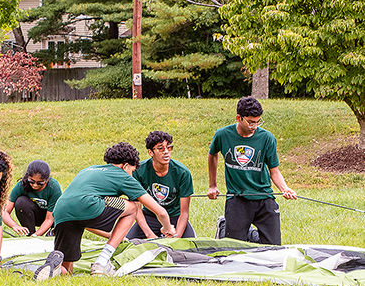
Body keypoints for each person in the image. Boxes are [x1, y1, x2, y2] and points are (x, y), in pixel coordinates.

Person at [53, 142, 177, 276]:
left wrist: (113, 235)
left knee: (66, 270)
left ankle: (52, 268)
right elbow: (160, 211)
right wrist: (167, 228)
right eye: (132, 171)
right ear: (125, 165)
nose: (131, 175)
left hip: (60, 211)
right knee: (133, 207)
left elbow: (83, 218)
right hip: (88, 205)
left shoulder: (89, 170)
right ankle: (102, 261)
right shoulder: (122, 175)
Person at [207, 96, 297, 245]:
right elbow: (213, 155)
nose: (254, 126)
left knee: (273, 248)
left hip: (263, 196)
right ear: (238, 118)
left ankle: (246, 232)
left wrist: (284, 188)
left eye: (257, 122)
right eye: (250, 122)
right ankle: (225, 228)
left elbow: (274, 171)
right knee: (234, 249)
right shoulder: (223, 135)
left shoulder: (267, 138)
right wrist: (212, 185)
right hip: (237, 198)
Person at [126, 131, 195, 240]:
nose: (166, 152)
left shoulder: (182, 173)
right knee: (127, 246)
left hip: (175, 218)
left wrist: (176, 238)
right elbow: (137, 209)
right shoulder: (138, 172)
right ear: (150, 152)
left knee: (193, 248)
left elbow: (184, 213)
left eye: (169, 147)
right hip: (149, 217)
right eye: (160, 148)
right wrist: (149, 234)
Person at [2, 160, 62, 237]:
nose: (35, 185)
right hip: (33, 215)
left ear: (46, 180)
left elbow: (49, 219)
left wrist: (37, 235)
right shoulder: (21, 185)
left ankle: (52, 233)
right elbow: (4, 212)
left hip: (52, 218)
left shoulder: (53, 187)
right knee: (21, 202)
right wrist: (14, 226)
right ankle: (30, 234)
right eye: (31, 181)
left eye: (40, 183)